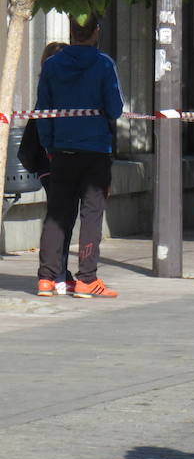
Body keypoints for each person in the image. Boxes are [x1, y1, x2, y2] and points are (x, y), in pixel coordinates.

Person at [36, 15, 123, 298]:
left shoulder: (52, 65)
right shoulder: (104, 64)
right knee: (92, 214)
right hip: (96, 150)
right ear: (96, 32)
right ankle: (87, 279)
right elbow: (115, 108)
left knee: (57, 213)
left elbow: (43, 112)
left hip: (61, 150)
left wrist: (50, 145)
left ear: (71, 31)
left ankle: (47, 278)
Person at [18, 42, 75, 295]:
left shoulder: (47, 87)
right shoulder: (62, 90)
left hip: (48, 163)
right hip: (55, 162)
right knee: (61, 217)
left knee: (61, 215)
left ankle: (55, 272)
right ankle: (54, 273)